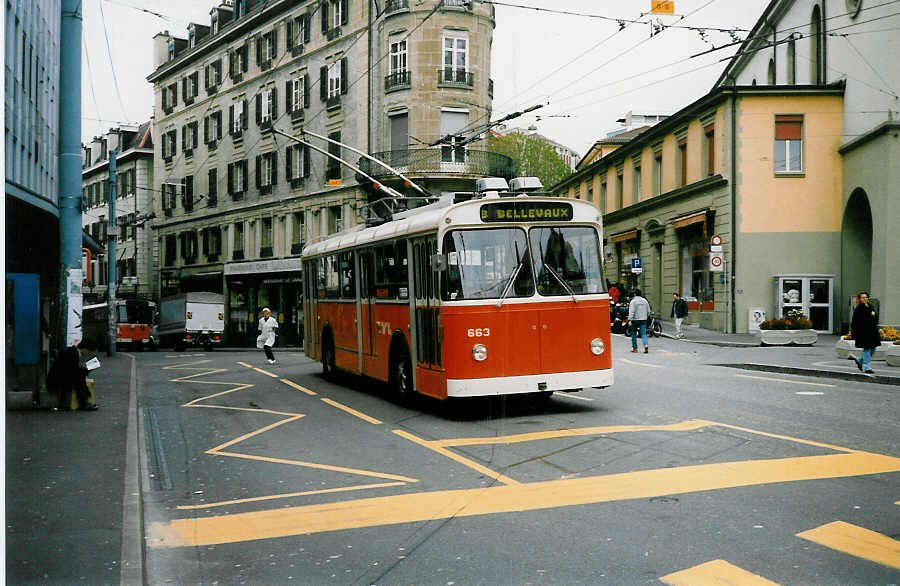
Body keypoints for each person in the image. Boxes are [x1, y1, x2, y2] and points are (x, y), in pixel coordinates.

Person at [46, 344, 98, 411]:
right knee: (79, 380)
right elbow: (72, 371)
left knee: (79, 378)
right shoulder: (72, 353)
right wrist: (87, 370)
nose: (88, 354)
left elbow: (71, 370)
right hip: (56, 380)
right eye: (89, 352)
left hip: (60, 377)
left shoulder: (72, 351)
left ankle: (83, 402)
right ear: (85, 349)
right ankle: (83, 403)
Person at [850, 291, 879, 374]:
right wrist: (854, 333)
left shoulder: (871, 306)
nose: (865, 299)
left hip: (873, 332)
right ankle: (867, 367)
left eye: (866, 297)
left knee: (873, 349)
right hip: (863, 332)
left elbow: (875, 318)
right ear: (859, 299)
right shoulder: (858, 309)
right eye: (863, 297)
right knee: (867, 349)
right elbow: (854, 322)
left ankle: (859, 360)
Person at [628, 288, 651, 353]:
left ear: (635, 294)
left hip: (635, 320)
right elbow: (649, 311)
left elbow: (631, 311)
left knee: (634, 334)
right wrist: (645, 316)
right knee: (643, 334)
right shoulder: (645, 301)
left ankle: (635, 348)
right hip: (643, 319)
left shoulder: (633, 301)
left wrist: (630, 319)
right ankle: (646, 345)